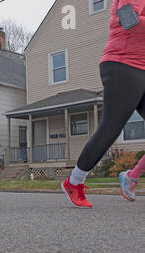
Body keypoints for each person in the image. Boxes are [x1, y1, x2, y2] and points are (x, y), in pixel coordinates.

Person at [62, 0, 145, 208]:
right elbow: (128, 19)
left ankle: (132, 176)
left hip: (142, 68)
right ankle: (74, 181)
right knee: (111, 126)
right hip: (122, 64)